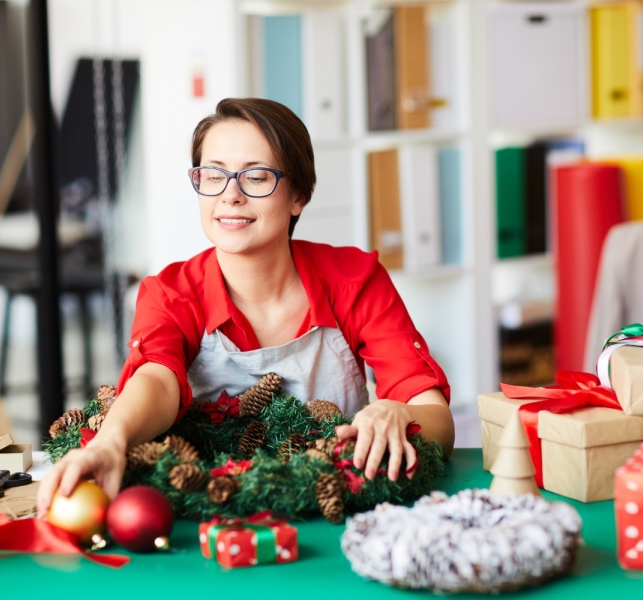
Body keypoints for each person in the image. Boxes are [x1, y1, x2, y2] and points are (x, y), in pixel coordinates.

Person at [37, 98, 455, 513]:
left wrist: (397, 411)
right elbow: (158, 378)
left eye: (256, 177)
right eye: (213, 175)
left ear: (298, 196)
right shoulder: (171, 292)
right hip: (209, 511)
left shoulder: (355, 280)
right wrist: (111, 440)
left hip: (337, 510)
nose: (230, 196)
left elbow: (433, 414)